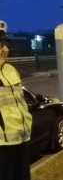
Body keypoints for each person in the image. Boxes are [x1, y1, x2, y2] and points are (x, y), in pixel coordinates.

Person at [0, 20, 32, 180]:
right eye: (0, 45)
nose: (5, 49)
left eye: (5, 44)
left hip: (21, 140)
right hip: (2, 147)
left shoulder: (11, 70)